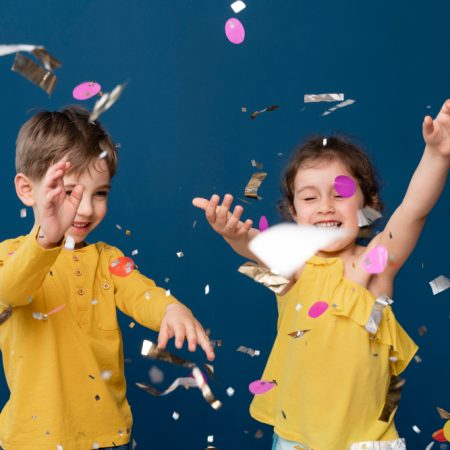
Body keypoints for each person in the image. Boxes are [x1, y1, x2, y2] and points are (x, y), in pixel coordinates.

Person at [193, 100, 450, 450]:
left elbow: (414, 210)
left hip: (365, 442)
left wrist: (437, 155)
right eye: (310, 198)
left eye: (340, 193)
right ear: (294, 213)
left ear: (367, 203)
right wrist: (235, 234)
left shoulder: (374, 265)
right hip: (296, 440)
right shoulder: (296, 268)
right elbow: (261, 249)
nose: (326, 206)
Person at [0, 106, 214, 450]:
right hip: (33, 439)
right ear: (27, 190)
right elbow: (12, 288)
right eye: (69, 192)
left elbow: (143, 294)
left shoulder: (107, 260)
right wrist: (47, 239)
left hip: (107, 435)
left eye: (99, 193)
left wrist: (172, 310)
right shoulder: (8, 257)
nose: (85, 209)